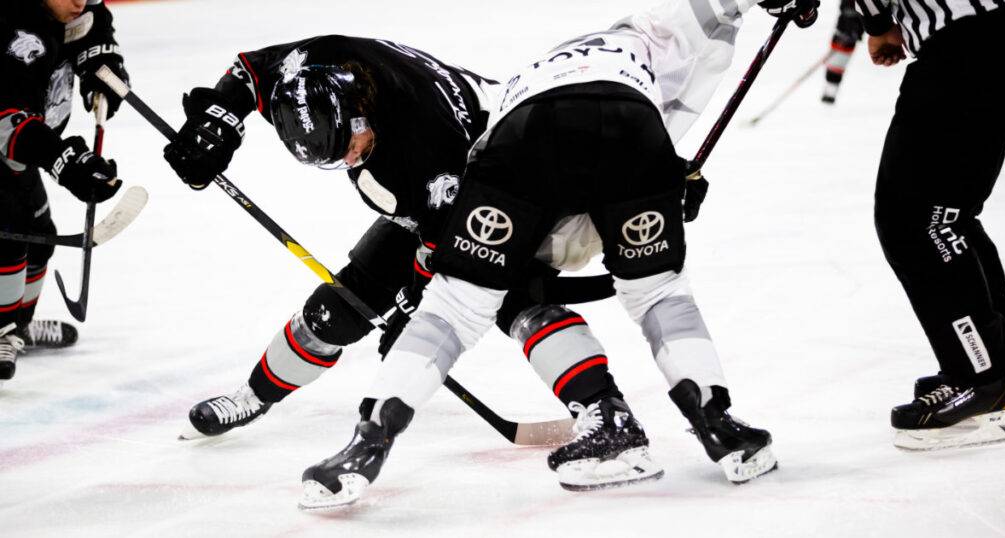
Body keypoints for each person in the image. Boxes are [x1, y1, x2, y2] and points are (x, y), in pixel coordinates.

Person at [298, 0, 819, 510]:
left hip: (522, 137)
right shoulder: (646, 31)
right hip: (630, 128)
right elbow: (712, 7)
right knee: (659, 291)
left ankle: (367, 444)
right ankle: (721, 427)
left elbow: (514, 230)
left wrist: (447, 285)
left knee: (456, 307)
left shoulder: (533, 73)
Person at [163, 35, 629, 443]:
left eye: (348, 146)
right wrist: (217, 121)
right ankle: (253, 396)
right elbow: (250, 72)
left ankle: (605, 409)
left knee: (517, 302)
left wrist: (417, 308)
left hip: (510, 188)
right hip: (432, 199)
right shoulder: (315, 68)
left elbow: (444, 250)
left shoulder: (425, 142)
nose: (346, 161)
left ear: (361, 112)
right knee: (337, 311)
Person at [856, 0, 1005, 450]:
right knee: (950, 215)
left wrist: (876, 23)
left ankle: (981, 381)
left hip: (965, 47)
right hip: (1003, 31)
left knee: (913, 222)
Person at [0, 0, 128, 388]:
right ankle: (2, 329)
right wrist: (62, 159)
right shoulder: (12, 33)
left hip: (22, 151)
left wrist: (100, 62)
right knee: (8, 240)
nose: (78, 0)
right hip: (8, 144)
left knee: (40, 235)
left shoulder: (67, 10)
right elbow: (5, 119)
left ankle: (16, 326)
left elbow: (95, 20)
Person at [821, 0, 863, 103]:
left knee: (837, 67)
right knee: (834, 66)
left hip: (848, 40)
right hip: (841, 35)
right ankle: (829, 92)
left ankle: (831, 92)